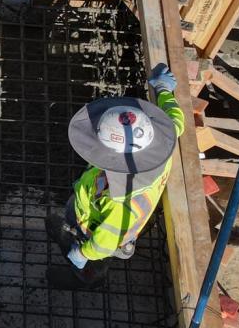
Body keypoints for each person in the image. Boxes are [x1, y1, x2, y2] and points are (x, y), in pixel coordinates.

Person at [51, 63, 185, 283]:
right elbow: (175, 120)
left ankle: (87, 275)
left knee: (93, 257)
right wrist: (163, 90)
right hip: (89, 203)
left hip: (94, 229)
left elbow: (104, 244)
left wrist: (83, 253)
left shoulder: (119, 202)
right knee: (72, 220)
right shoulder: (161, 140)